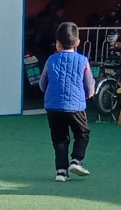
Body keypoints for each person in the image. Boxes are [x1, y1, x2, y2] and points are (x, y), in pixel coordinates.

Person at [40, 21, 97, 182]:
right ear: (78, 42)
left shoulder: (51, 60)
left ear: (57, 43)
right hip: (75, 106)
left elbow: (43, 83)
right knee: (82, 133)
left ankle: (61, 171)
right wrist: (88, 95)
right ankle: (76, 160)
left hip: (53, 106)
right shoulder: (82, 61)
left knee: (59, 138)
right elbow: (89, 84)